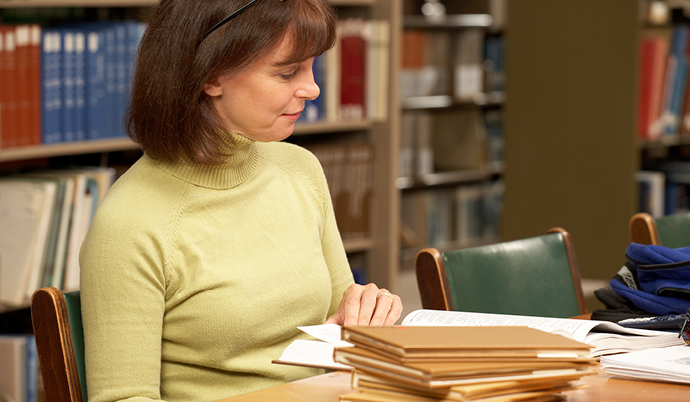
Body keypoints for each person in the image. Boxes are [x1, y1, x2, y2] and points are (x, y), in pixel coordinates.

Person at [78, 0, 403, 401]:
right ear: (211, 76)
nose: (313, 88)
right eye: (287, 72)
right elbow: (123, 398)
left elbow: (337, 321)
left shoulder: (301, 170)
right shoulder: (131, 223)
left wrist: (365, 309)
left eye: (311, 67)